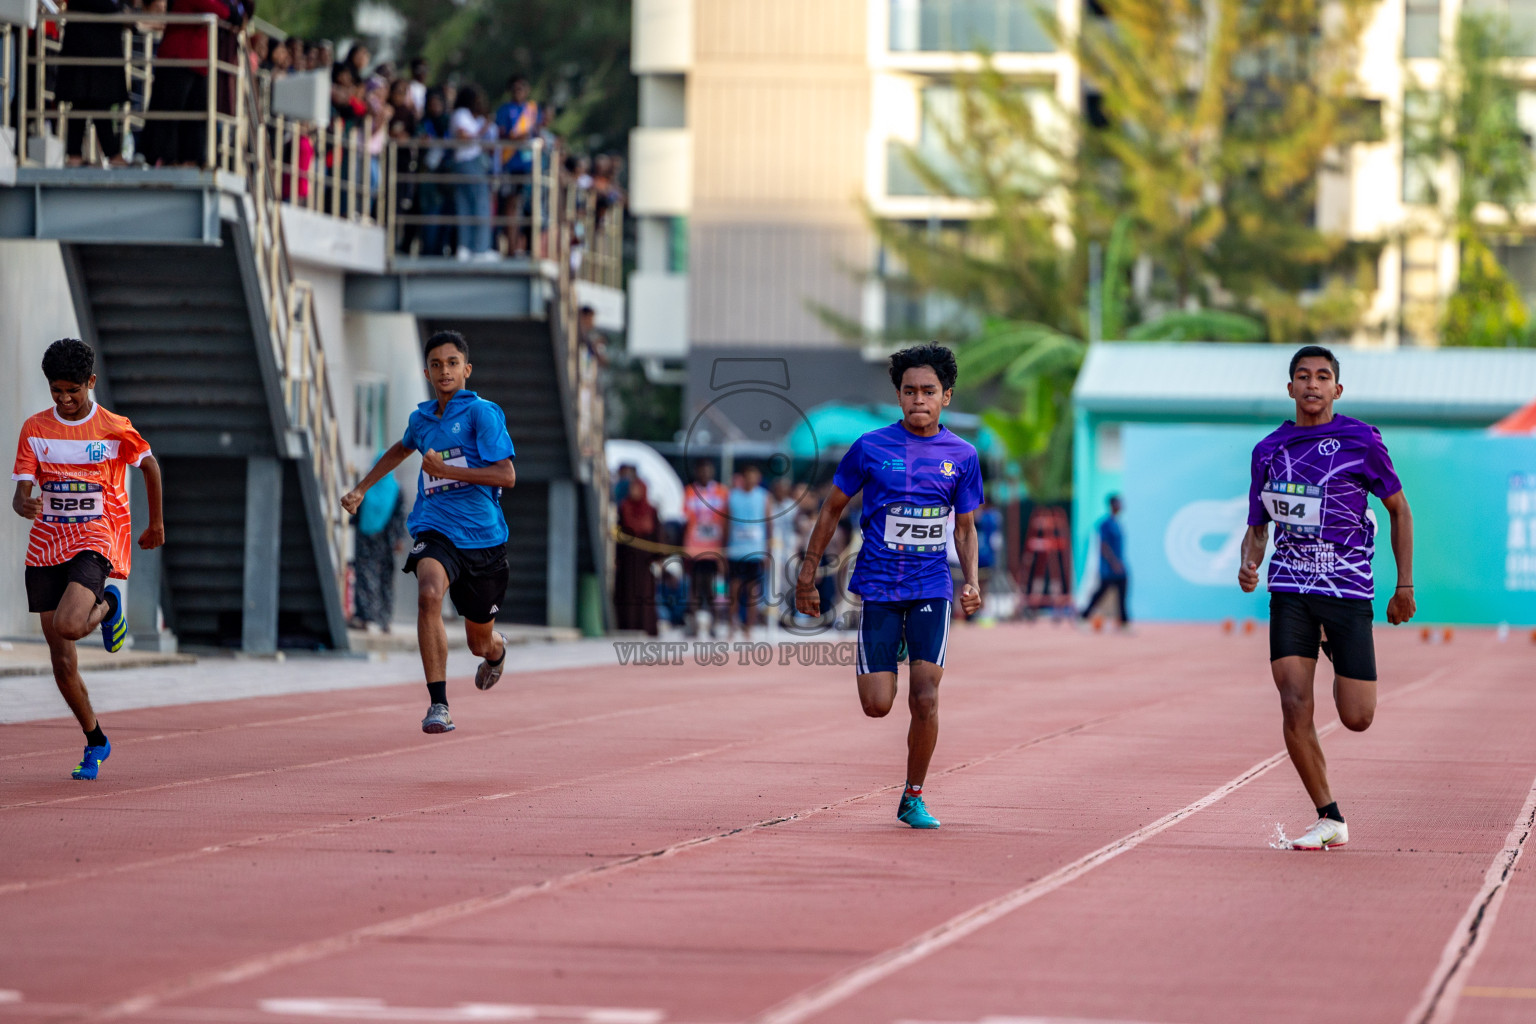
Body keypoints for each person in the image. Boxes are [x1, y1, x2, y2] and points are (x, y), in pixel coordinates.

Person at [796, 343, 983, 829]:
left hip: (930, 588)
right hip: (878, 587)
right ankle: (893, 646)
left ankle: (913, 795)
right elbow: (832, 508)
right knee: (878, 705)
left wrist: (973, 582)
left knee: (924, 696)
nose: (917, 399)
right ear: (898, 396)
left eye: (928, 391)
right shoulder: (871, 447)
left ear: (947, 397)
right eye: (908, 391)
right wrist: (806, 575)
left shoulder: (961, 456)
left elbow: (964, 528)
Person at [1238, 345, 1416, 851]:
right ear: (1289, 388)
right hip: (1290, 588)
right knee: (1294, 702)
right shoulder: (1268, 450)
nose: (1312, 385)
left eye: (1322, 377)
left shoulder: (1361, 440)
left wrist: (1404, 586)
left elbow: (1400, 511)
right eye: (1302, 376)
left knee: (1357, 717)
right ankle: (1329, 817)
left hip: (1347, 588)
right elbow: (1257, 527)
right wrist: (1249, 563)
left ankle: (1336, 647)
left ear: (1337, 389)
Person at [341, 330, 516, 734]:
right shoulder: (421, 420)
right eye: (436, 364)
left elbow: (506, 475)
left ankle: (496, 651)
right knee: (428, 595)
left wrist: (446, 471)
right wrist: (361, 489)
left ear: (466, 369)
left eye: (452, 363)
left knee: (478, 642)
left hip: (484, 541)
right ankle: (439, 704)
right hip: (435, 527)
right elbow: (401, 448)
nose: (444, 371)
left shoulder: (482, 414)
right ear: (426, 371)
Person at [11, 338, 164, 780]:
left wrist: (156, 525)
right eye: (56, 390)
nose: (64, 398)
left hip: (95, 537)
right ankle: (96, 740)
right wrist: (24, 503)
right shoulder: (35, 428)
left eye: (73, 390)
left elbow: (151, 467)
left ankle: (108, 604)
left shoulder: (113, 426)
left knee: (70, 625)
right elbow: (23, 489)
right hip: (45, 546)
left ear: (90, 383)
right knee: (61, 662)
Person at [58, 0, 129, 165]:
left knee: (89, 102)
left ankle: (79, 154)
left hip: (95, 48)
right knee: (89, 101)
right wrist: (121, 14)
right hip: (88, 47)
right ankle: (108, 154)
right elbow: (95, 6)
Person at [350, 459, 406, 632]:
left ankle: (366, 618)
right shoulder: (396, 489)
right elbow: (399, 516)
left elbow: (355, 511)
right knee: (385, 579)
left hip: (365, 538)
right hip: (386, 540)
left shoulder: (365, 487)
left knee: (366, 576)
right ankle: (384, 620)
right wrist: (399, 539)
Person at [682, 459, 729, 638]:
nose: (705, 474)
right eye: (702, 471)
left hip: (714, 548)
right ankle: (693, 622)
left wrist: (724, 546)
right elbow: (684, 519)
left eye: (708, 471)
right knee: (694, 586)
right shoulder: (689, 492)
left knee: (712, 587)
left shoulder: (721, 492)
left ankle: (714, 623)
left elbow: (726, 520)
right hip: (694, 547)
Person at [450, 86, 496, 261]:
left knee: (466, 205)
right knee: (480, 204)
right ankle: (480, 248)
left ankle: (465, 247)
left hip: (468, 162)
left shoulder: (466, 115)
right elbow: (463, 136)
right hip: (468, 161)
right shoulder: (461, 113)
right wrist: (483, 130)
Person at [725, 464, 770, 640]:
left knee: (752, 591)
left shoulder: (763, 497)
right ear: (743, 477)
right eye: (749, 475)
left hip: (756, 552)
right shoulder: (733, 496)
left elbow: (768, 524)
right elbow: (726, 523)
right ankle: (731, 625)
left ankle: (748, 627)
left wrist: (768, 551)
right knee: (734, 590)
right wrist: (724, 548)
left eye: (755, 475)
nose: (752, 479)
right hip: (736, 551)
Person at [615, 478, 660, 636]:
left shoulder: (651, 510)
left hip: (645, 562)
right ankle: (628, 626)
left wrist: (659, 558)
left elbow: (657, 536)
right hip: (628, 561)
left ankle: (646, 627)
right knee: (627, 594)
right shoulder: (624, 508)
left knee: (645, 595)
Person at [1080, 494, 1129, 627]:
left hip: (1120, 568)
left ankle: (1124, 622)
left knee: (1122, 594)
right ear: (1113, 505)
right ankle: (1083, 616)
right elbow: (1103, 545)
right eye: (1119, 503)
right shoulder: (1105, 524)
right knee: (1100, 593)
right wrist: (1113, 563)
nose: (1121, 505)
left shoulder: (1118, 524)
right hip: (1109, 569)